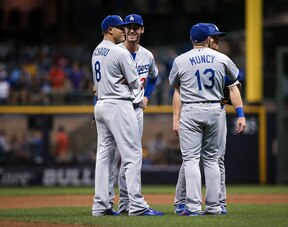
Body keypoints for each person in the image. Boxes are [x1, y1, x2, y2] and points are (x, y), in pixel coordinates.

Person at [169, 23, 246, 216]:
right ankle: (214, 207)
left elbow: (175, 86)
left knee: (191, 160)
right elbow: (236, 80)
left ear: (192, 39)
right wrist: (240, 113)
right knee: (212, 160)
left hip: (192, 108)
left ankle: (193, 207)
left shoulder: (181, 60)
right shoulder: (221, 58)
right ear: (208, 39)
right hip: (215, 108)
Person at [91, 15, 162, 216]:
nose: (125, 31)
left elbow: (97, 85)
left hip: (103, 104)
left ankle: (101, 205)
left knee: (104, 157)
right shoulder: (118, 52)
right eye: (122, 27)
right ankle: (137, 205)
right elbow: (133, 83)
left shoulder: (97, 51)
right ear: (110, 29)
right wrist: (138, 92)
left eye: (131, 27)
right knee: (132, 154)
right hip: (121, 105)